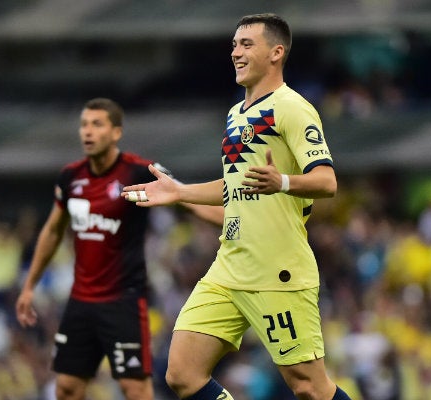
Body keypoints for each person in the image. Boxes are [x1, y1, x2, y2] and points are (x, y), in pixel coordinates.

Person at [122, 13, 353, 400]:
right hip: (229, 266)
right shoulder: (235, 114)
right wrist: (180, 192)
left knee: (309, 387)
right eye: (234, 44)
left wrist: (281, 181)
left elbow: (327, 181)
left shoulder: (292, 108)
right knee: (181, 372)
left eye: (247, 44)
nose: (236, 52)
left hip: (276, 268)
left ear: (276, 52)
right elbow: (233, 186)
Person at [15, 97, 221, 400]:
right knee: (66, 389)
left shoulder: (138, 172)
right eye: (84, 124)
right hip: (80, 302)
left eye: (97, 124)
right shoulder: (71, 177)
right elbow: (53, 229)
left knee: (135, 389)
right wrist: (30, 284)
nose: (88, 131)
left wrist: (237, 222)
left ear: (116, 133)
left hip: (123, 302)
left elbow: (186, 200)